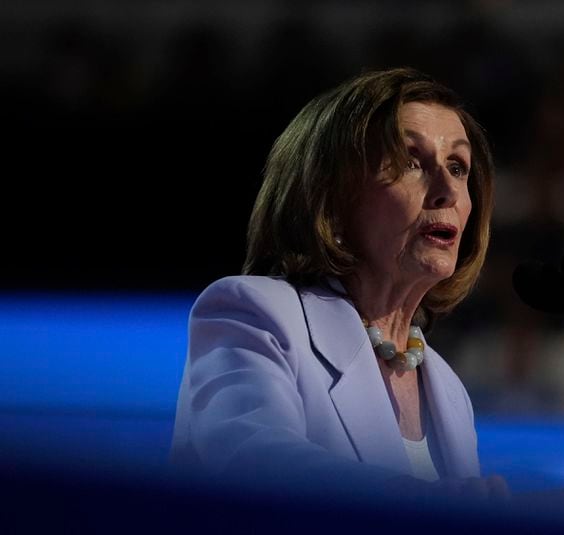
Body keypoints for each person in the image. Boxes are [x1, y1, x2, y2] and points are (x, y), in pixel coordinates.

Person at [170, 67, 508, 499]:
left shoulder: (447, 390)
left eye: (458, 167)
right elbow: (254, 465)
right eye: (410, 161)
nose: (447, 190)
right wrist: (425, 505)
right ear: (331, 194)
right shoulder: (254, 315)